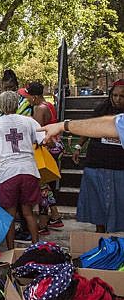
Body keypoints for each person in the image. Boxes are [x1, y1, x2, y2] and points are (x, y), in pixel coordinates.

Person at [0, 91, 42, 249]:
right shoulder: (29, 121)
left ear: (0, 105)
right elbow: (42, 140)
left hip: (9, 173)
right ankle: (37, 247)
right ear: (18, 103)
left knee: (9, 216)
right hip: (29, 170)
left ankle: (11, 251)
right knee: (28, 213)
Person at [65, 80, 124, 233]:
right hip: (97, 161)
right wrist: (78, 146)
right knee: (98, 202)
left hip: (119, 165)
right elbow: (88, 129)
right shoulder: (101, 109)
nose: (118, 99)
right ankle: (100, 234)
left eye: (122, 96)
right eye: (115, 95)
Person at [20, 82, 63, 235]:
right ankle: (55, 216)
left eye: (28, 97)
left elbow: (36, 132)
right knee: (46, 185)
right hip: (55, 146)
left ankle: (43, 224)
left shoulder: (40, 109)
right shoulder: (49, 105)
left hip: (46, 149)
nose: (27, 100)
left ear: (35, 96)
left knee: (42, 187)